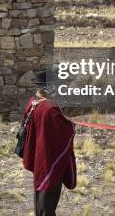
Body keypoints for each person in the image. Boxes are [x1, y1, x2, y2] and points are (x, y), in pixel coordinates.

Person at [21, 69, 77, 216]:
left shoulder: (33, 103)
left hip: (40, 157)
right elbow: (64, 131)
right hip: (49, 159)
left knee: (40, 193)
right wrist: (71, 126)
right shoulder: (49, 109)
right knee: (49, 195)